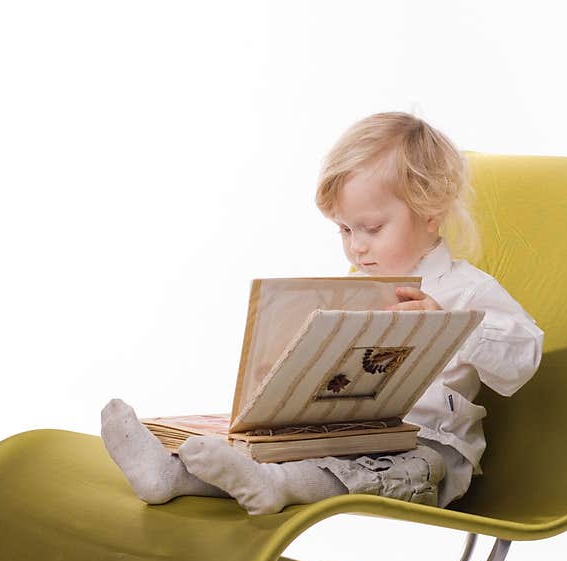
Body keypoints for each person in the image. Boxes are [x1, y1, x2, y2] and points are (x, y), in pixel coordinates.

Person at [100, 111, 543, 515]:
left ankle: (276, 486)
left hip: (425, 450)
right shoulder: (356, 291)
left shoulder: (465, 290)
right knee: (279, 448)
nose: (357, 245)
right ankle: (172, 476)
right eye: (345, 230)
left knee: (401, 465)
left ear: (431, 213)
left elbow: (524, 359)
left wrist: (453, 328)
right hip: (346, 433)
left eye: (372, 228)